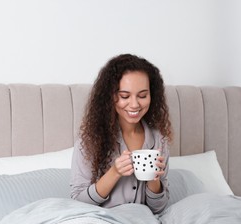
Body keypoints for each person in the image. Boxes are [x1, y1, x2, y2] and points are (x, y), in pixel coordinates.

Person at [70, 53, 172, 214]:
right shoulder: (89, 140)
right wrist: (115, 172)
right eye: (124, 96)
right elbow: (77, 201)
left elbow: (158, 208)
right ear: (110, 96)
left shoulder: (159, 140)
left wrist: (154, 180)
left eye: (143, 95)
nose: (134, 104)